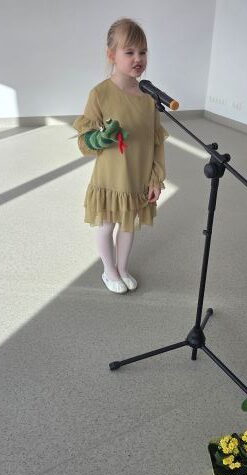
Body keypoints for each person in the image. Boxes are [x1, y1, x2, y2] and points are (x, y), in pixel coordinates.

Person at [73, 18, 169, 294]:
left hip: (138, 176)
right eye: (129, 52)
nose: (138, 58)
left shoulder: (148, 96)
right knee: (107, 226)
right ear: (111, 54)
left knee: (128, 227)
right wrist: (97, 138)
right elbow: (85, 138)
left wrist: (156, 177)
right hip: (112, 177)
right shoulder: (100, 94)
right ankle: (109, 270)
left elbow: (156, 141)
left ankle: (122, 268)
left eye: (143, 52)